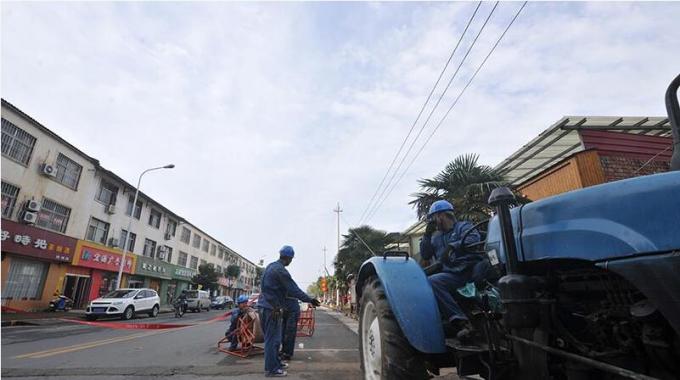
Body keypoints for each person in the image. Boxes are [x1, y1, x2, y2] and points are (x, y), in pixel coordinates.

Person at [420, 200, 485, 339]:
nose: (433, 222)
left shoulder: (463, 227)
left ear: (442, 215)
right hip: (450, 274)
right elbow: (425, 254)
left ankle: (462, 322)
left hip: (466, 271)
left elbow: (473, 239)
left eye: (433, 218)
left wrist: (453, 246)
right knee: (427, 281)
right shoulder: (436, 237)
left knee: (434, 282)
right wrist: (426, 235)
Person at [258, 245, 321, 377]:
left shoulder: (271, 266)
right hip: (271, 308)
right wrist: (310, 299)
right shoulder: (281, 271)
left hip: (266, 306)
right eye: (291, 259)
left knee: (275, 339)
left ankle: (276, 363)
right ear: (289, 258)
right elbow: (294, 290)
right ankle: (272, 370)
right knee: (273, 340)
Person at [279, 296, 300, 361]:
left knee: (289, 333)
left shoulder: (289, 286)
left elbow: (298, 293)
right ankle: (284, 350)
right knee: (283, 332)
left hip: (292, 310)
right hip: (285, 310)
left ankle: (287, 353)